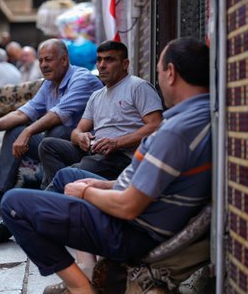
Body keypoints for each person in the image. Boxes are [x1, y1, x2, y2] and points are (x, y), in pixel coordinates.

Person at [0, 37, 212, 294]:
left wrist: (86, 193)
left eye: (160, 71)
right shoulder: (200, 115)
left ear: (171, 73)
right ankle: (85, 271)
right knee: (69, 175)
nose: (102, 66)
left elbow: (128, 207)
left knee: (14, 204)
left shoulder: (174, 129)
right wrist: (102, 185)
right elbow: (145, 185)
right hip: (134, 207)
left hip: (131, 230)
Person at [0, 38, 104, 226]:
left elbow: (58, 115)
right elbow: (23, 112)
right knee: (15, 131)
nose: (43, 65)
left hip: (86, 149)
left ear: (64, 60)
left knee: (56, 130)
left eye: (48, 60)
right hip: (55, 146)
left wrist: (28, 133)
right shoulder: (49, 85)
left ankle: (47, 196)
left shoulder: (81, 80)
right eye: (41, 60)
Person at [39, 40, 163, 186]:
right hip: (96, 153)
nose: (102, 65)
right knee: (48, 145)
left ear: (125, 64)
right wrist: (80, 137)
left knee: (69, 173)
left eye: (109, 60)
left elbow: (156, 125)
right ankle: (63, 192)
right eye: (99, 60)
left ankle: (58, 194)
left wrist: (116, 143)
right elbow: (77, 131)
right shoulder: (96, 96)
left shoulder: (138, 87)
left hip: (123, 158)